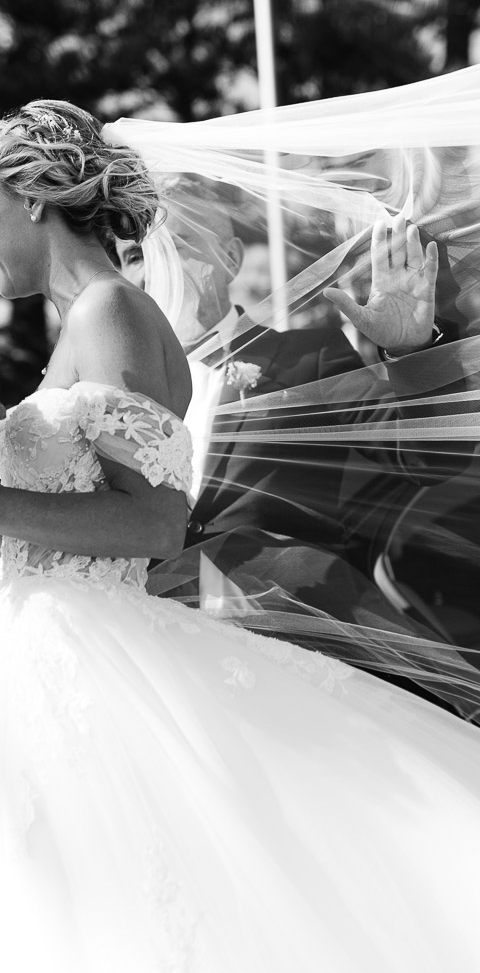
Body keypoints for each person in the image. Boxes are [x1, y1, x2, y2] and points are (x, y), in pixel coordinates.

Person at [0, 98, 480, 973]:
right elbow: (25, 510)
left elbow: (154, 522)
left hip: (85, 664)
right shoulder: (82, 326)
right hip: (37, 654)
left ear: (32, 200)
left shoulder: (112, 311)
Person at [115, 181, 478, 711]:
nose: (155, 269)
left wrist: (413, 351)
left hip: (300, 665)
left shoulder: (308, 361)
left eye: (178, 247)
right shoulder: (103, 397)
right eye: (132, 256)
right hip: (152, 674)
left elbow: (428, 456)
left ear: (231, 258)